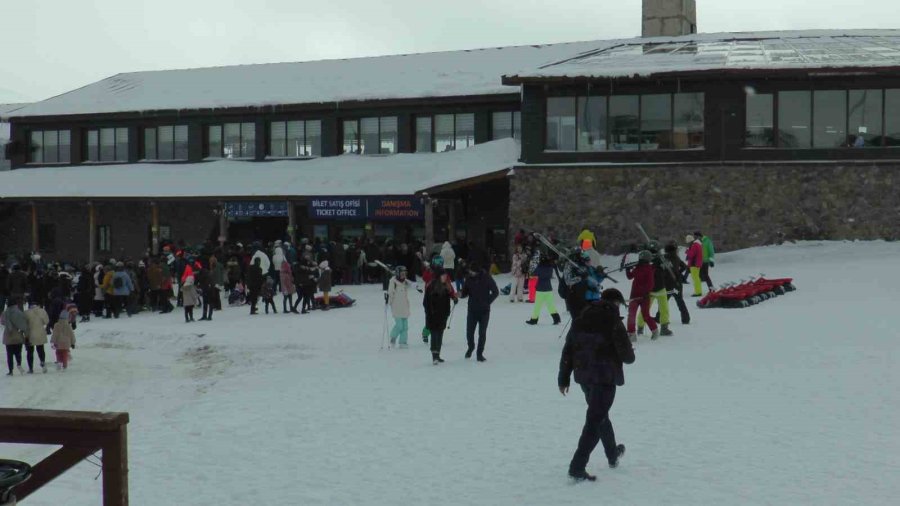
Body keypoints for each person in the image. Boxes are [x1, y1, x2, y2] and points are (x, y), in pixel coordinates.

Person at [558, 288, 634, 482]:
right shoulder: (613, 321)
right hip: (604, 377)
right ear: (616, 303)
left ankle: (612, 454)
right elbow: (628, 357)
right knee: (594, 420)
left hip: (584, 376)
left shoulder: (581, 317)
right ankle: (577, 467)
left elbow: (568, 349)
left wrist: (563, 378)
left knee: (600, 416)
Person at [460, 262, 499, 362]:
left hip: (484, 311)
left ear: (477, 271)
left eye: (472, 271)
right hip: (472, 310)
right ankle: (471, 346)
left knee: (482, 333)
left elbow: (496, 292)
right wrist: (460, 294)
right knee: (469, 333)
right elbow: (465, 293)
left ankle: (479, 353)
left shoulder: (487, 278)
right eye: (470, 271)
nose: (470, 273)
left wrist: (487, 302)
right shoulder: (469, 279)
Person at [636, 245, 675, 338]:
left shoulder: (661, 259)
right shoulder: (645, 261)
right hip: (650, 290)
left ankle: (664, 327)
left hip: (661, 288)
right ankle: (640, 327)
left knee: (664, 309)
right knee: (645, 310)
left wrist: (665, 262)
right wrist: (654, 264)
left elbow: (669, 267)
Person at [423, 267, 457, 364]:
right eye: (443, 275)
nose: (445, 277)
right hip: (433, 315)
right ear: (438, 276)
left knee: (440, 334)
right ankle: (434, 356)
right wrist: (429, 313)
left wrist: (454, 299)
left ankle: (438, 354)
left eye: (446, 275)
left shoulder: (446, 286)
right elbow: (426, 302)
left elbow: (451, 295)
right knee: (434, 335)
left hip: (443, 314)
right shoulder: (431, 287)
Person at [625, 250, 658, 341]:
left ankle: (655, 331)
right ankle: (631, 334)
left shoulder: (649, 269)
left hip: (644, 297)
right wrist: (627, 269)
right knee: (631, 315)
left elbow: (650, 284)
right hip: (634, 295)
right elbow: (630, 276)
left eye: (642, 259)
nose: (640, 260)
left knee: (645, 315)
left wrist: (645, 293)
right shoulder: (638, 267)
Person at [526, 254, 561, 325]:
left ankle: (534, 319)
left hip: (540, 289)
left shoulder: (539, 267)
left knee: (537, 306)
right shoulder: (550, 268)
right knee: (551, 305)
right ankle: (556, 319)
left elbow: (533, 273)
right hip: (548, 288)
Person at [663, 242, 691, 325]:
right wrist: (678, 273)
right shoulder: (676, 258)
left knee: (664, 301)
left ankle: (658, 317)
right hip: (677, 283)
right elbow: (684, 267)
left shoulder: (664, 258)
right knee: (680, 301)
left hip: (667, 282)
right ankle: (686, 318)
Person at [387, 266, 414, 349]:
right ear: (398, 274)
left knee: (405, 327)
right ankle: (393, 338)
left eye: (405, 274)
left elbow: (411, 284)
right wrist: (387, 301)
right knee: (399, 326)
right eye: (402, 273)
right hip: (396, 307)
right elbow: (390, 293)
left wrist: (416, 286)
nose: (403, 275)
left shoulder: (405, 282)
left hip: (404, 307)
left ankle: (403, 342)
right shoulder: (393, 282)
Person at [3, 297, 28, 375]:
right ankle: (19, 364)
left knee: (9, 354)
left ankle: (11, 370)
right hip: (17, 335)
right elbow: (23, 326)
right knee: (18, 352)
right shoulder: (19, 313)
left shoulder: (5, 313)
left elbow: (3, 322)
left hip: (8, 335)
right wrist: (25, 333)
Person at [24, 301, 50, 374]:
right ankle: (42, 362)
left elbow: (24, 324)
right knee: (41, 349)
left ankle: (31, 368)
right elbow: (46, 321)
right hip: (40, 333)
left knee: (30, 352)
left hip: (30, 334)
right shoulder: (42, 311)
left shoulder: (26, 313)